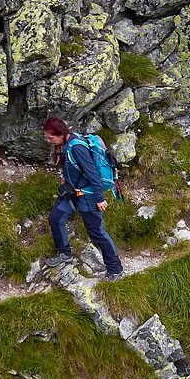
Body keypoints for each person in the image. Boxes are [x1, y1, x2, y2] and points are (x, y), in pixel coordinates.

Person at [40, 116, 124, 280]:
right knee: (55, 218)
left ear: (61, 133)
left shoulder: (77, 148)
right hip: (72, 193)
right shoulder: (66, 143)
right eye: (46, 137)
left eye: (50, 137)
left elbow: (93, 174)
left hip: (88, 196)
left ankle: (115, 269)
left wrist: (99, 198)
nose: (48, 140)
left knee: (97, 233)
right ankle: (64, 253)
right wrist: (66, 177)